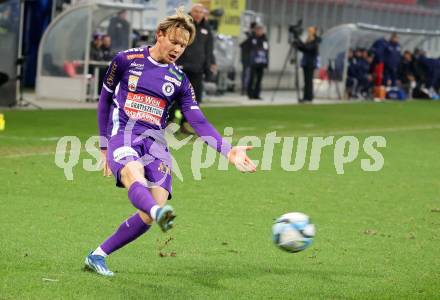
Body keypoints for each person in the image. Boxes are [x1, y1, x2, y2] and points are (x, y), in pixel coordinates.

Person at [84, 7, 256, 277]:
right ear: (159, 35)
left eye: (183, 45)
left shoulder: (180, 80)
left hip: (155, 144)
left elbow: (197, 121)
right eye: (174, 42)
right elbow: (105, 99)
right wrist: (105, 146)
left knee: (151, 213)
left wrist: (227, 150)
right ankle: (157, 211)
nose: (178, 49)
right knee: (134, 174)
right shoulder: (126, 60)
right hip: (123, 135)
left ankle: (98, 255)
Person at [168, 3, 215, 133]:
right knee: (174, 97)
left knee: (194, 101)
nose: (198, 14)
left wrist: (210, 66)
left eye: (201, 12)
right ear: (191, 12)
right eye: (196, 11)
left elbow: (209, 50)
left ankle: (185, 124)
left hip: (197, 70)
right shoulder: (184, 25)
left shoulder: (207, 29)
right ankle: (169, 123)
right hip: (181, 68)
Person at [295, 26, 321, 102]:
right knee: (306, 81)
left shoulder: (315, 42)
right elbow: (304, 49)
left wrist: (299, 41)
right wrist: (298, 45)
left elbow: (308, 48)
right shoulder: (309, 41)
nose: (309, 33)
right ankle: (307, 96)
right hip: (306, 62)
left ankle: (308, 96)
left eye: (310, 32)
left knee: (308, 81)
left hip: (310, 63)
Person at [246, 24, 269, 100]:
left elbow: (266, 51)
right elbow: (248, 48)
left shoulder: (265, 39)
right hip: (253, 62)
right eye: (258, 30)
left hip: (261, 62)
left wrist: (266, 62)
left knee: (259, 79)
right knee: (252, 78)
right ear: (255, 31)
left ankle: (257, 94)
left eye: (261, 30)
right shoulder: (252, 38)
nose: (260, 32)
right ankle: (250, 93)